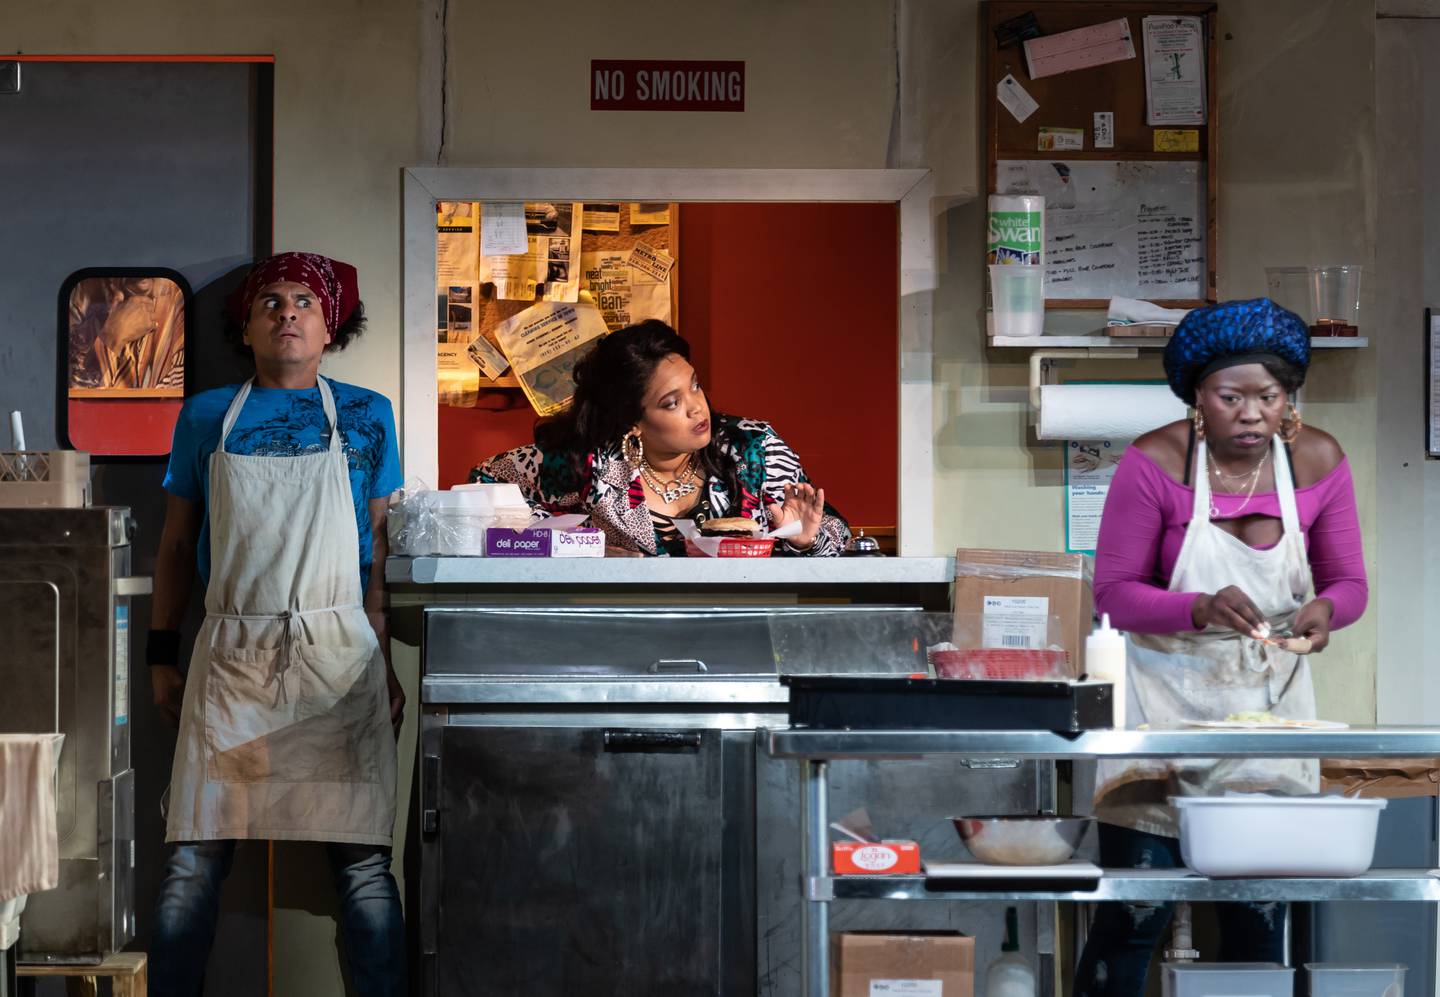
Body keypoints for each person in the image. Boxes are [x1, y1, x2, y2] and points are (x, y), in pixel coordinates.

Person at [1073, 299, 1368, 997]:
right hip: (1161, 723)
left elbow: (1349, 581)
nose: (1251, 413)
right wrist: (1198, 607)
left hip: (1270, 727)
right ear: (1196, 398)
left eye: (1269, 396)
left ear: (1288, 397)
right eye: (1230, 396)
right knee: (1134, 918)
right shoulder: (1156, 462)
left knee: (1258, 921)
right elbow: (1113, 592)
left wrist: (1328, 610)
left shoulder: (1318, 460)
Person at [145, 252, 407, 997]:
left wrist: (383, 662)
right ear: (246, 324)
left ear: (330, 326)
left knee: (361, 866)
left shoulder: (366, 413)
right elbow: (171, 545)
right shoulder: (204, 415)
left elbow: (380, 553)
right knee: (192, 861)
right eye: (269, 302)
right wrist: (163, 654)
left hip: (337, 657)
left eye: (303, 302)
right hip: (230, 657)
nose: (286, 313)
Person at [471, 319, 850, 556]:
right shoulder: (586, 464)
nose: (697, 408)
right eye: (671, 403)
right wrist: (583, 548)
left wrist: (805, 539)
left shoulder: (754, 449)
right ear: (632, 421)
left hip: (741, 630)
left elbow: (838, 538)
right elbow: (481, 488)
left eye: (695, 386)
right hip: (622, 635)